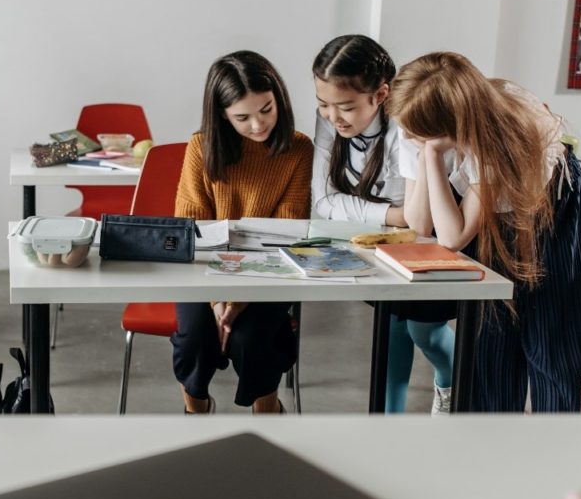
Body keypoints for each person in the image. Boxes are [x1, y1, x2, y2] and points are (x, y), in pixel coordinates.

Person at [388, 52, 581, 412]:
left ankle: (558, 447)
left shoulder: (497, 138)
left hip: (550, 208)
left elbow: (453, 237)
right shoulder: (419, 121)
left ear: (449, 127)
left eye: (416, 133)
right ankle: (489, 446)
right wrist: (427, 153)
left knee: (549, 342)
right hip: (490, 212)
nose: (405, 135)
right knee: (490, 341)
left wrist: (432, 155)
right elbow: (420, 224)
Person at [311, 34, 456, 415]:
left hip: (436, 237)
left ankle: (452, 383)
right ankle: (388, 423)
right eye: (323, 104)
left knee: (425, 332)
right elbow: (324, 202)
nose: (332, 117)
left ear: (381, 94)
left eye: (344, 106)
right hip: (383, 241)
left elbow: (421, 220)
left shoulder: (408, 125)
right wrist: (393, 215)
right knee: (391, 331)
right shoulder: (331, 121)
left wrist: (393, 215)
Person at [173, 50, 312, 414]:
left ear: (278, 97)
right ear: (221, 115)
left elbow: (286, 233)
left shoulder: (298, 149)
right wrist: (219, 299)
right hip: (201, 273)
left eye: (266, 109)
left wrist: (239, 300)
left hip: (271, 271)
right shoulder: (200, 148)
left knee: (253, 340)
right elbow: (193, 232)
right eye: (242, 117)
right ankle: (195, 407)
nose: (258, 125)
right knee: (195, 342)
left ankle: (267, 410)